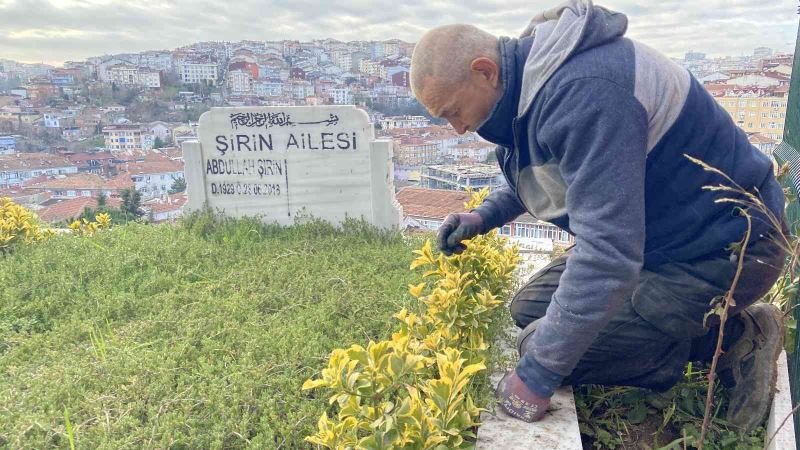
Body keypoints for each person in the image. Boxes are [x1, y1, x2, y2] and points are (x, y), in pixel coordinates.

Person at [410, 0, 789, 432]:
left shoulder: (586, 92)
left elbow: (608, 254)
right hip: (661, 240)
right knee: (529, 308)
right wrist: (483, 217)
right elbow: (553, 170)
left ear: (484, 71)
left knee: (541, 347)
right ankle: (677, 327)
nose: (458, 129)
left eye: (453, 113)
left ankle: (736, 339)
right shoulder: (536, 83)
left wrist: (537, 377)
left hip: (725, 252)